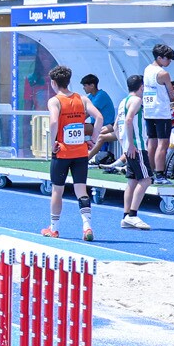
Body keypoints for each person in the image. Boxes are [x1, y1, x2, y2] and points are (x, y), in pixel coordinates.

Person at [40, 65, 99, 242]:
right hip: (80, 152)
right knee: (81, 190)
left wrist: (52, 145)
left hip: (62, 152)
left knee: (57, 190)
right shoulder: (82, 99)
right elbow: (100, 117)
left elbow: (53, 122)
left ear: (53, 83)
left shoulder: (55, 101)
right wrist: (93, 140)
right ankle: (87, 226)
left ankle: (54, 228)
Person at [111, 74, 152, 230]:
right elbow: (128, 120)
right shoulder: (136, 100)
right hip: (137, 146)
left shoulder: (123, 102)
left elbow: (115, 126)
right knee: (146, 180)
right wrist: (131, 144)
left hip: (129, 146)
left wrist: (124, 144)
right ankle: (132, 215)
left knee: (132, 181)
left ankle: (125, 216)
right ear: (141, 87)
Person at [140, 43, 174, 189]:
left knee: (152, 143)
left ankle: (149, 173)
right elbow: (172, 94)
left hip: (149, 111)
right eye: (168, 59)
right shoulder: (163, 74)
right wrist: (173, 93)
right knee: (163, 144)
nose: (169, 62)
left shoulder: (147, 69)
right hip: (161, 112)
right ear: (160, 58)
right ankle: (160, 175)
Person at [79, 73, 113, 165]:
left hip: (108, 125)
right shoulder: (90, 97)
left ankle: (91, 155)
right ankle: (83, 151)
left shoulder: (101, 95)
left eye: (85, 85)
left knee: (80, 128)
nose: (83, 88)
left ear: (92, 85)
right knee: (77, 129)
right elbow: (82, 112)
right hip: (96, 124)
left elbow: (88, 113)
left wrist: (77, 122)